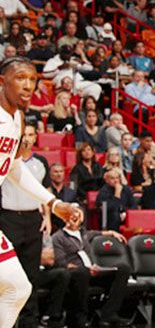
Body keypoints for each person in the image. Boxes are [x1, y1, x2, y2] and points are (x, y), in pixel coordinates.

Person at [0, 57, 75, 328]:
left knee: (18, 288)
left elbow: (13, 166)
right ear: (2, 82)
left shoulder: (18, 118)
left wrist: (52, 202)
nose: (28, 86)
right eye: (20, 78)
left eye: (32, 79)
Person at [0, 124, 53, 328]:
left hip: (33, 219)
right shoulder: (6, 155)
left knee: (28, 277)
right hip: (9, 217)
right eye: (25, 135)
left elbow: (43, 189)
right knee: (13, 280)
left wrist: (48, 214)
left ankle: (29, 321)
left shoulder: (40, 162)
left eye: (30, 135)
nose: (26, 139)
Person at [51, 205, 130, 327]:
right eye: (72, 213)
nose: (75, 216)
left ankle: (108, 314)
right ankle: (80, 318)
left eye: (77, 213)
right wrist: (85, 269)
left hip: (94, 271)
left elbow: (102, 232)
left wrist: (113, 233)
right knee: (82, 272)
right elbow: (62, 263)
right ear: (65, 217)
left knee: (123, 268)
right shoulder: (58, 237)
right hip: (76, 274)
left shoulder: (85, 233)